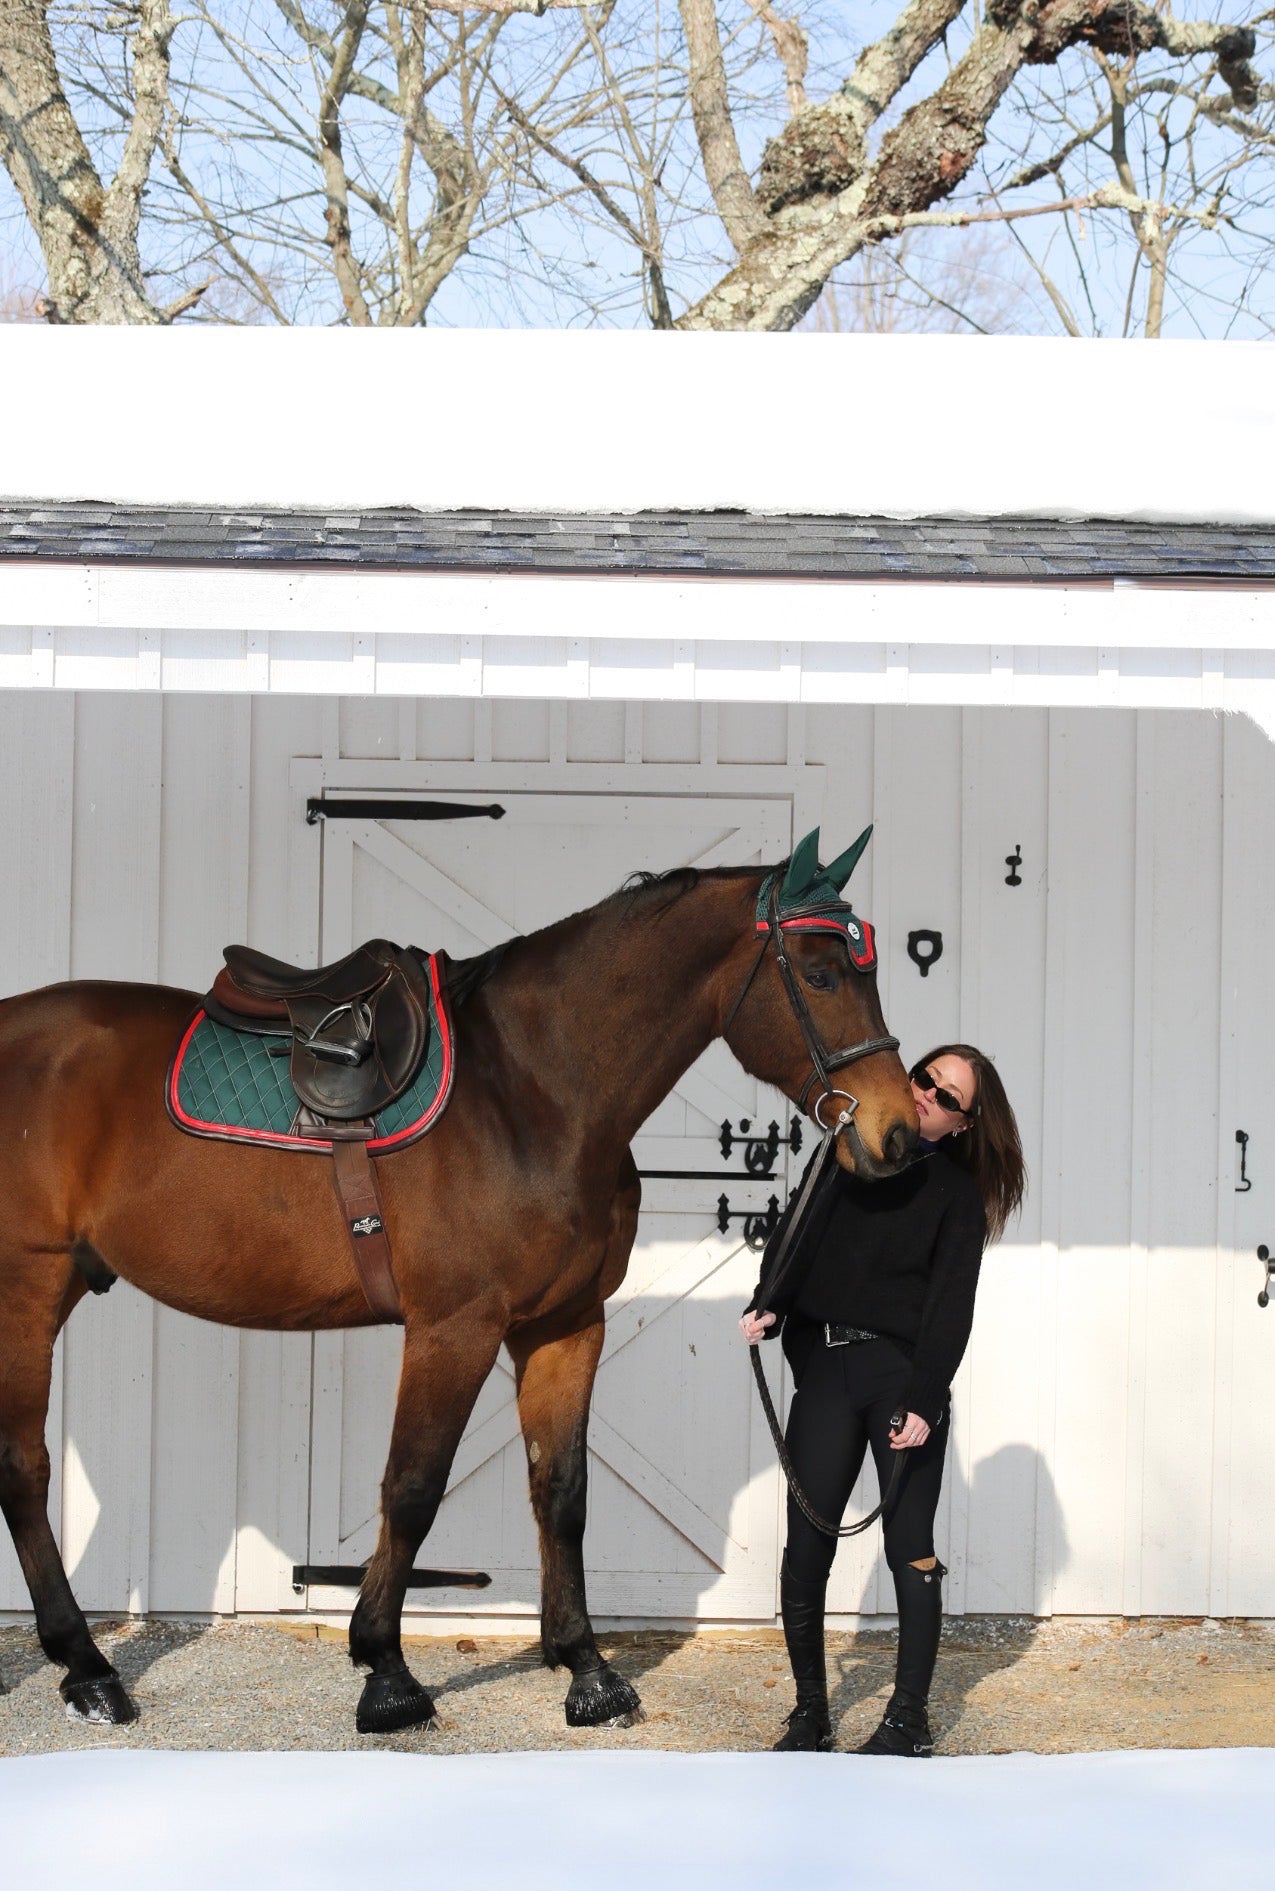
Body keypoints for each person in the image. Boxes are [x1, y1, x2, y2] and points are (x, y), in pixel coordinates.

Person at [741, 1045, 1025, 1757]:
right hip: (829, 1371)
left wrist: (925, 1399)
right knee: (805, 1545)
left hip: (901, 1378)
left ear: (963, 1123)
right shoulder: (845, 1153)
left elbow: (949, 1307)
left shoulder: (955, 1196)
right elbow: (796, 1233)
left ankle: (907, 1719)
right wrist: (768, 1303)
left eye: (948, 1096)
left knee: (908, 1548)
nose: (928, 1093)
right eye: (925, 1077)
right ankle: (808, 1712)